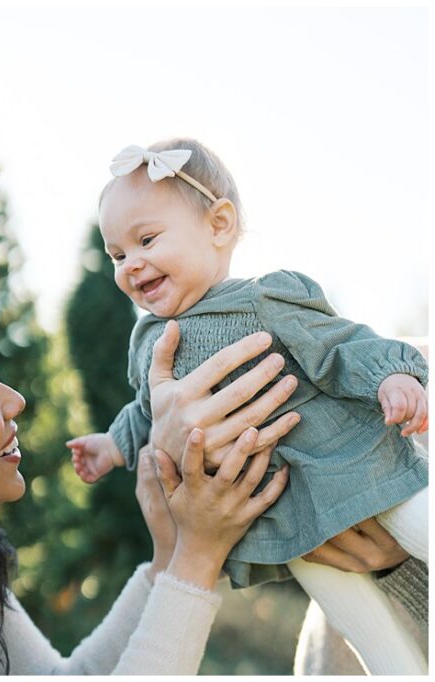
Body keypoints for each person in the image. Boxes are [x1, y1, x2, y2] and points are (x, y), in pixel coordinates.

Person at [67, 139, 428, 673]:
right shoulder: (146, 344)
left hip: (359, 468)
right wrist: (110, 446)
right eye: (118, 254)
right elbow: (147, 415)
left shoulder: (262, 300)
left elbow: (341, 346)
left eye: (146, 240)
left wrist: (393, 376)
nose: (131, 265)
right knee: (374, 644)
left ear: (218, 225)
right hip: (289, 525)